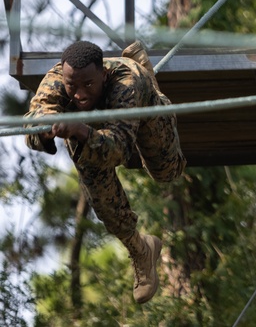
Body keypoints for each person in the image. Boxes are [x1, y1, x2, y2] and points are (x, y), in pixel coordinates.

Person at [23, 40, 186, 304]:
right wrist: (44, 129)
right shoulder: (56, 81)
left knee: (167, 173)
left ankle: (149, 78)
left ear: (103, 74)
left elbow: (120, 150)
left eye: (88, 85)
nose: (78, 94)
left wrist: (80, 130)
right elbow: (29, 127)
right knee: (87, 162)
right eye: (71, 86)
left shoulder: (125, 84)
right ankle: (141, 249)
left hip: (140, 109)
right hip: (95, 129)